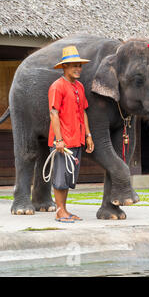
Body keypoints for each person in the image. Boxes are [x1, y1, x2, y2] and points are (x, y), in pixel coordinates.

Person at [48, 45, 94, 223]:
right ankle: (60, 211)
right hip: (63, 142)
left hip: (77, 139)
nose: (78, 69)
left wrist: (88, 135)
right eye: (74, 65)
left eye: (79, 65)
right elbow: (53, 113)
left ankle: (64, 210)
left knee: (68, 176)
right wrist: (58, 139)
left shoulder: (79, 87)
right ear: (64, 67)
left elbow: (83, 111)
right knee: (60, 177)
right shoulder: (57, 87)